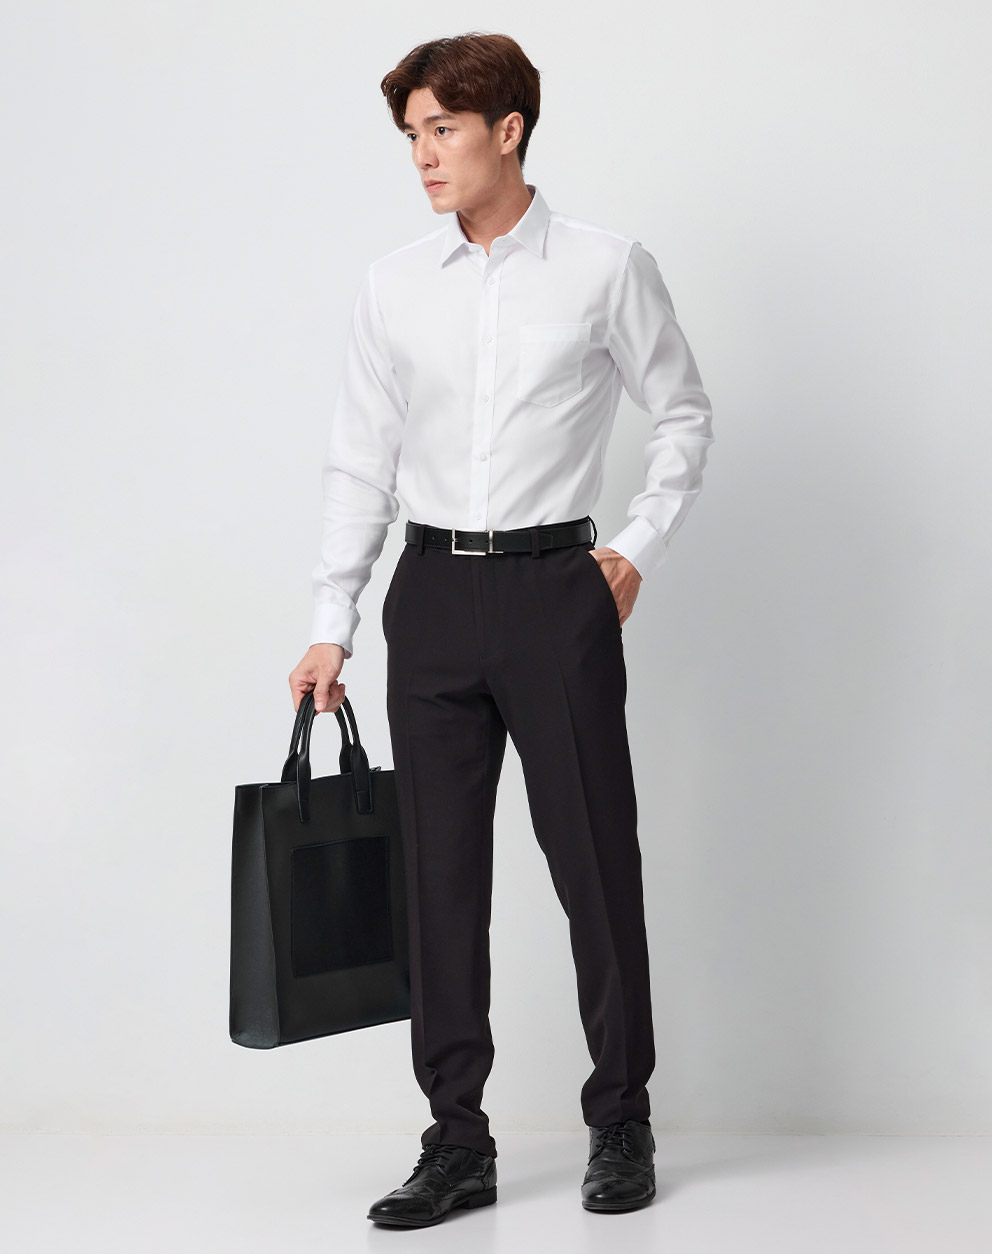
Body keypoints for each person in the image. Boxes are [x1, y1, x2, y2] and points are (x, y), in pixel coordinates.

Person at [288, 31, 714, 1227]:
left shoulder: (604, 268)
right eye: (411, 135)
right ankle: (456, 1141)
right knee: (436, 880)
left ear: (507, 130)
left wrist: (634, 547)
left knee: (593, 862)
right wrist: (330, 623)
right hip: (428, 597)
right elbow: (358, 463)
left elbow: (682, 413)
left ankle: (619, 1119)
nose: (423, 156)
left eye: (443, 129)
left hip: (552, 594)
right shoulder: (393, 286)